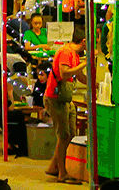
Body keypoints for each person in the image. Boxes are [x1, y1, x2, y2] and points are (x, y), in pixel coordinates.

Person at [45, 27, 86, 183]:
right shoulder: (66, 52)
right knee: (63, 136)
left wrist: (95, 85)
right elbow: (65, 73)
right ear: (84, 41)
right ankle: (62, 173)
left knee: (70, 134)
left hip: (65, 98)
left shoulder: (74, 54)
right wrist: (85, 64)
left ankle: (54, 167)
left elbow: (79, 76)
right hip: (56, 98)